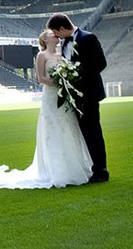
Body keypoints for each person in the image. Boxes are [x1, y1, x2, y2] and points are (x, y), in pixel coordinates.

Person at [0, 30, 93, 189]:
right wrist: (59, 82)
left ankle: (73, 169)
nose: (55, 35)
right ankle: (56, 171)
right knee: (53, 131)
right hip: (51, 97)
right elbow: (40, 78)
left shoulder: (61, 56)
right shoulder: (42, 56)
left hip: (63, 98)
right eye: (52, 34)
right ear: (45, 39)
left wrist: (67, 81)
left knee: (68, 130)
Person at [46, 12, 109, 183]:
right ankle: (87, 168)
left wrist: (77, 76)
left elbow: (101, 63)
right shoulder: (62, 44)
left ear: (62, 28)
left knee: (93, 132)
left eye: (56, 32)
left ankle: (101, 170)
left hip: (88, 93)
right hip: (72, 96)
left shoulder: (88, 38)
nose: (56, 37)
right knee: (81, 134)